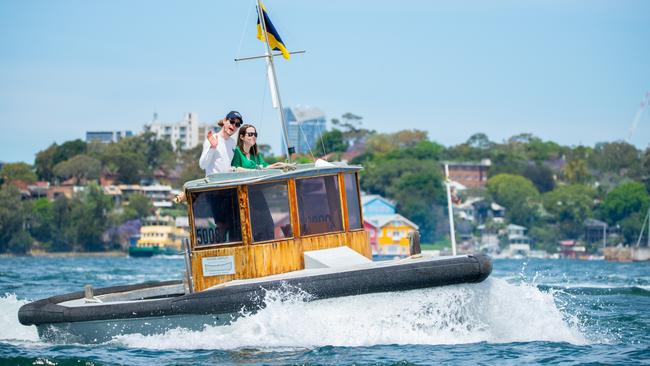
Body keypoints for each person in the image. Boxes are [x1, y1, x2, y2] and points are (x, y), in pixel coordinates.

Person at [199, 111, 243, 175]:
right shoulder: (212, 139)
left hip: (229, 183)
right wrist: (212, 148)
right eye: (232, 121)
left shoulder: (233, 142)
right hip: (214, 183)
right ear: (225, 121)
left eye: (237, 124)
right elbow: (202, 165)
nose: (234, 125)